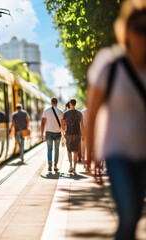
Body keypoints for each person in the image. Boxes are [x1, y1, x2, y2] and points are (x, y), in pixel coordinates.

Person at [86, 1, 146, 239]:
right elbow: (92, 112)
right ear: (126, 30)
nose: (143, 35)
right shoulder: (109, 64)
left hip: (143, 154)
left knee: (133, 220)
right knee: (129, 214)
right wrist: (90, 153)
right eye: (138, 28)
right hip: (116, 152)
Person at [41, 97, 64, 171]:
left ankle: (50, 162)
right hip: (57, 133)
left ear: (51, 103)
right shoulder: (61, 111)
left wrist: (42, 133)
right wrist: (63, 132)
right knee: (57, 149)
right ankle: (55, 165)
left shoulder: (46, 111)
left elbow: (43, 122)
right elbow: (62, 124)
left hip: (48, 133)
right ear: (57, 103)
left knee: (49, 149)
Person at [62, 99, 84, 173]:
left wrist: (63, 131)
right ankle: (74, 168)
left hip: (68, 134)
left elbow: (63, 123)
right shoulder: (79, 113)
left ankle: (70, 165)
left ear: (70, 104)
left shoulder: (65, 114)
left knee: (69, 150)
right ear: (75, 104)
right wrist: (83, 134)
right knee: (76, 151)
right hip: (77, 134)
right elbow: (82, 125)